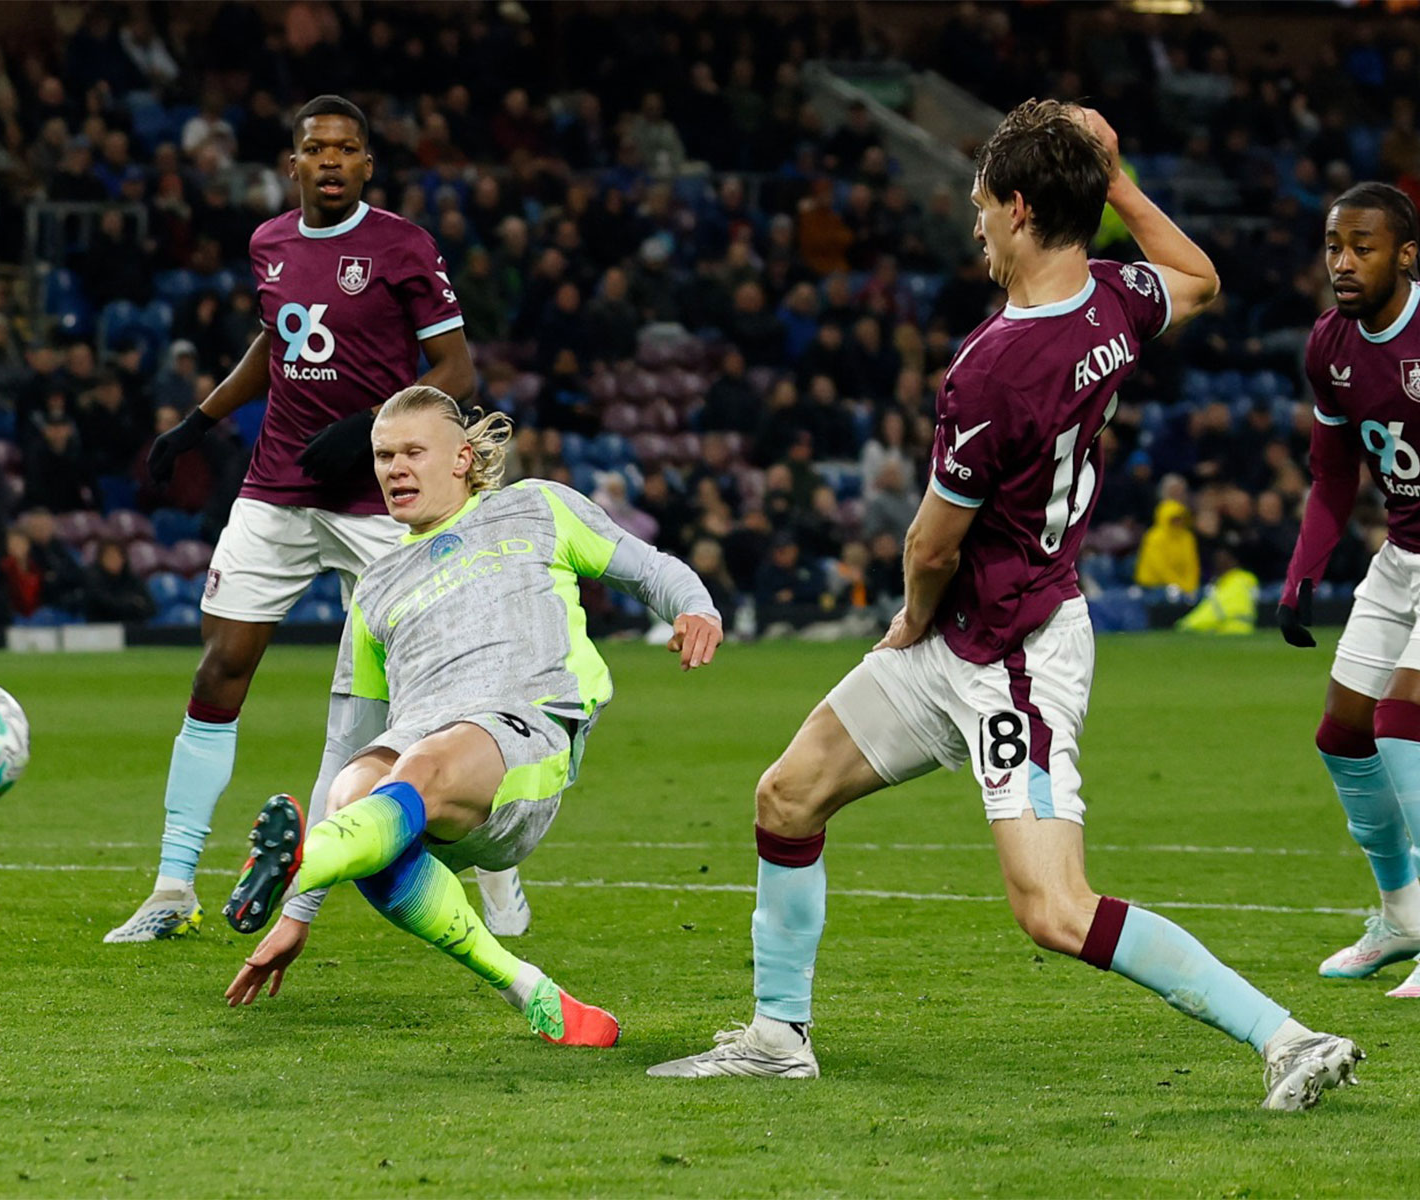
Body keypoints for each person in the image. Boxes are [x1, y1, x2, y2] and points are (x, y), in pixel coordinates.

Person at [649, 102, 1362, 1111]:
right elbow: (1199, 277)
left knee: (1053, 908)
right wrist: (1109, 176)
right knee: (787, 796)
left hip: (1009, 653)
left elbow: (930, 542)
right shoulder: (1113, 299)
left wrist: (905, 615)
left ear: (1020, 208)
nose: (973, 224)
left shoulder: (992, 367)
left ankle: (1285, 1037)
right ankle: (777, 1036)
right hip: (976, 630)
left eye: (982, 204)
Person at [103, 95, 521, 942]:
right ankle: (172, 887)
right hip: (277, 490)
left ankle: (496, 864)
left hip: (380, 500)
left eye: (347, 149)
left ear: (368, 164)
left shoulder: (402, 245)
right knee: (219, 668)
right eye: (314, 149)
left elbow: (456, 368)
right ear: (291, 163)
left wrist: (369, 433)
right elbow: (276, 340)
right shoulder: (268, 244)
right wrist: (201, 421)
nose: (330, 161)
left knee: (435, 695)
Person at [220, 386, 723, 1045]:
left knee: (419, 767)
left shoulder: (536, 508)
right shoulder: (375, 589)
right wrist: (300, 916)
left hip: (526, 733)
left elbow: (649, 568)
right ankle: (526, 987)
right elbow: (344, 741)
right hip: (423, 759)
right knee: (351, 788)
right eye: (381, 456)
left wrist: (698, 607)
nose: (394, 468)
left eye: (412, 452)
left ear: (461, 458)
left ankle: (305, 859)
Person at [1278, 182, 1420, 1001]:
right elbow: (1332, 478)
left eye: (1362, 246)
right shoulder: (1329, 345)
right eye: (1334, 245)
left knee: (1405, 718)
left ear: (1405, 254)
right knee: (1345, 733)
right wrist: (1302, 575)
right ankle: (1402, 914)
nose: (1342, 261)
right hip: (1402, 555)